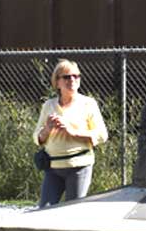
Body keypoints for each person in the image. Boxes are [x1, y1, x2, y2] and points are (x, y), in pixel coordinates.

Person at [33, 59, 108, 207]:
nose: (72, 80)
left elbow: (102, 135)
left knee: (71, 211)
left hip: (79, 167)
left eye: (76, 76)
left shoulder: (88, 104)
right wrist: (47, 129)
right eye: (67, 77)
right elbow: (37, 137)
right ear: (57, 82)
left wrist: (73, 131)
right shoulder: (49, 105)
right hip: (53, 168)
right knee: (44, 210)